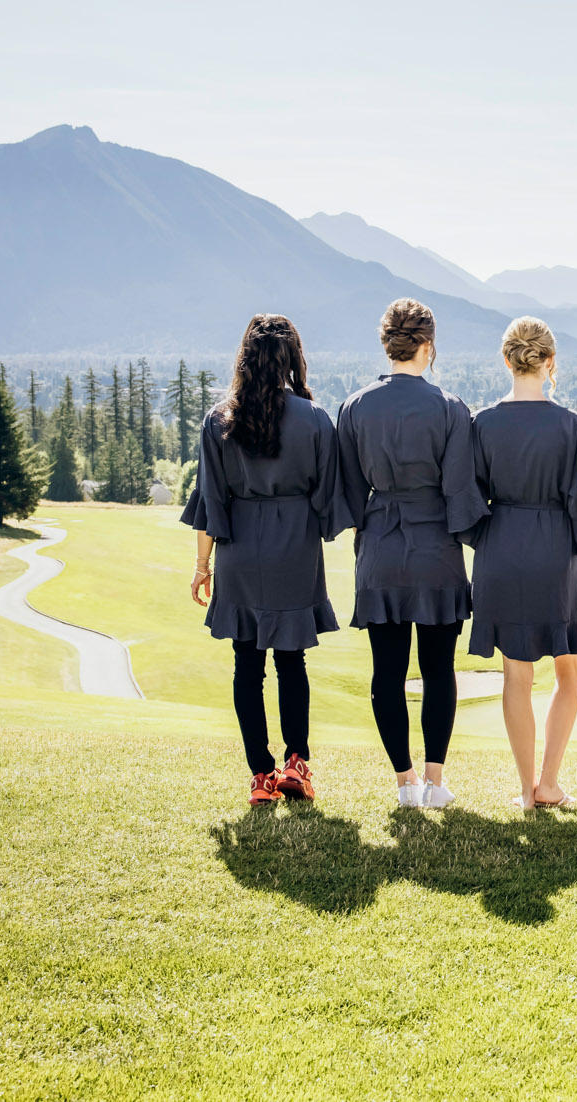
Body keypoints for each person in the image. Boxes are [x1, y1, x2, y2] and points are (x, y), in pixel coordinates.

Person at [183, 314, 352, 808]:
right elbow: (328, 501)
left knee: (245, 665)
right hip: (295, 548)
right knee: (291, 662)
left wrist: (201, 567)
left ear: (246, 358)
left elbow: (210, 502)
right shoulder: (316, 419)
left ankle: (261, 775)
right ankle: (297, 763)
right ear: (293, 358)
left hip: (239, 551)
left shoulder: (219, 420)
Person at [336, 298, 486, 809]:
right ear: (428, 345)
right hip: (437, 548)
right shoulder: (450, 407)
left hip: (379, 547)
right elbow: (462, 494)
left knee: (387, 673)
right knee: (439, 668)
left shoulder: (354, 407)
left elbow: (351, 497)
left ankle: (405, 785)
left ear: (388, 343)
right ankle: (435, 780)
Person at [468, 317, 577, 809]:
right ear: (549, 361)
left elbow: (468, 497)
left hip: (501, 550)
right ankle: (549, 782)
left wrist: (491, 537)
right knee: (570, 673)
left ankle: (525, 788)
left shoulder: (482, 423)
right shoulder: (573, 425)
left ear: (507, 360)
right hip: (556, 554)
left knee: (515, 677)